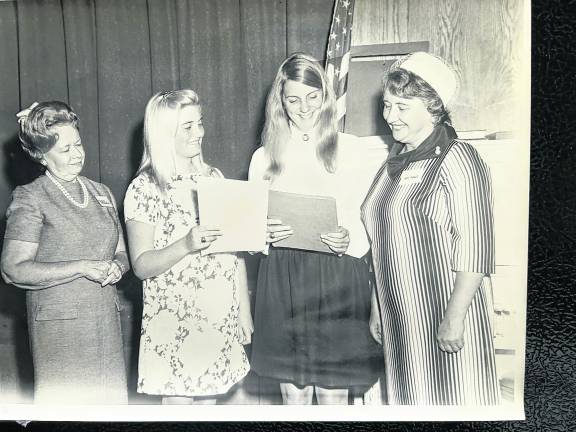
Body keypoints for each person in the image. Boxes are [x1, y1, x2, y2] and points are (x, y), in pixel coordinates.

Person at [361, 52, 500, 405]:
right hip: (399, 319)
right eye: (388, 105)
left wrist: (454, 317)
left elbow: (476, 246)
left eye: (402, 107)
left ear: (433, 108)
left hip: (444, 314)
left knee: (454, 400)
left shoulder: (459, 158)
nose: (390, 116)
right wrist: (378, 304)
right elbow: (381, 242)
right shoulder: (390, 164)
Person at [248, 53, 382, 405]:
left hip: (336, 277)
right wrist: (262, 234)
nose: (304, 108)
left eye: (312, 97)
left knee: (332, 395)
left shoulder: (351, 149)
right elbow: (250, 229)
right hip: (284, 278)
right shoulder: (263, 157)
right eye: (293, 99)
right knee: (293, 397)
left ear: (325, 96)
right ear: (280, 102)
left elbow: (368, 217)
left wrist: (349, 237)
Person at [124, 90, 252, 405]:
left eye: (200, 123)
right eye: (188, 127)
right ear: (165, 134)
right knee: (179, 409)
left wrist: (243, 313)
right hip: (174, 320)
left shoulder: (213, 177)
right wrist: (186, 243)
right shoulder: (144, 188)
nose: (200, 133)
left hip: (218, 313)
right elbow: (141, 265)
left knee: (209, 404)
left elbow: (232, 252)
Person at [1, 101, 129, 404]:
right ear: (43, 156)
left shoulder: (102, 193)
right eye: (65, 149)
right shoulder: (31, 198)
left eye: (78, 144)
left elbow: (122, 252)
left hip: (104, 324)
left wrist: (118, 267)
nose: (77, 154)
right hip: (60, 331)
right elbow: (13, 269)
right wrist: (81, 266)